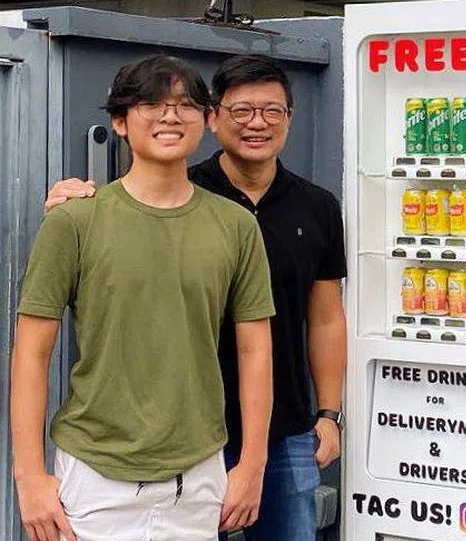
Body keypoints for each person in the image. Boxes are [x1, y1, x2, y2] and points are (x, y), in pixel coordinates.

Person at [44, 54, 348, 541]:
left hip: (284, 428)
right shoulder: (185, 186)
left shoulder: (317, 206)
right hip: (189, 434)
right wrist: (73, 202)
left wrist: (329, 415)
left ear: (289, 118)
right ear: (214, 118)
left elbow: (326, 317)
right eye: (241, 110)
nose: (257, 124)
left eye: (272, 111)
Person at [11, 54, 275, 541]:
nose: (171, 116)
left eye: (185, 104)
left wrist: (252, 463)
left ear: (208, 119)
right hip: (94, 475)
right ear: (119, 121)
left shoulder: (237, 226)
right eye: (152, 103)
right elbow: (31, 351)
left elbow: (256, 348)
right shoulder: (73, 221)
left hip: (198, 477)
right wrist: (28, 476)